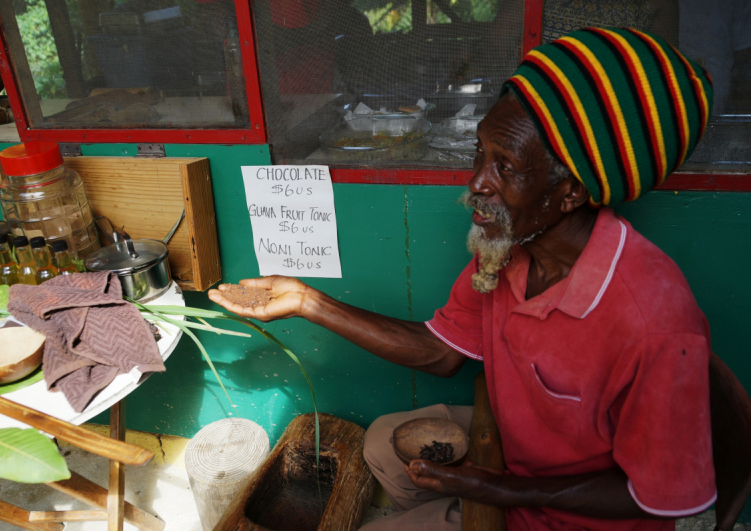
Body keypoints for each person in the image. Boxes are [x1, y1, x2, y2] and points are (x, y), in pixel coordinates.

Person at [209, 27, 716, 531]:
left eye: (506, 165)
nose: (476, 182)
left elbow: (657, 498)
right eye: (480, 152)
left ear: (572, 192)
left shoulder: (655, 324)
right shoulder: (509, 247)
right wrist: (307, 301)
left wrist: (492, 489)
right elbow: (442, 352)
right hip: (512, 460)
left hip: (561, 515)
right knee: (382, 445)